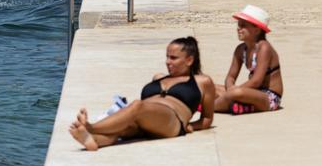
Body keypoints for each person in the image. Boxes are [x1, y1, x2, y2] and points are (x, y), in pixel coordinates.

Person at [68, 37, 216, 150]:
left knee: (137, 105)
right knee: (120, 129)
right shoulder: (158, 77)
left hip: (172, 121)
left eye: (173, 58)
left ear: (189, 60)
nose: (167, 62)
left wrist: (191, 126)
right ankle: (92, 140)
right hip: (146, 120)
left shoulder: (202, 81)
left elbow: (208, 118)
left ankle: (91, 127)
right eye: (167, 57)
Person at [215, 6, 283, 114]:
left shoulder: (264, 48)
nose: (238, 28)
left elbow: (256, 81)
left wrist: (232, 92)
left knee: (236, 93)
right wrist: (230, 88)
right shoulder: (240, 50)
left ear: (257, 29)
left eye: (243, 26)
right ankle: (238, 105)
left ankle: (209, 107)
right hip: (252, 92)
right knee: (212, 88)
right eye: (238, 25)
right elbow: (230, 77)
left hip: (269, 97)